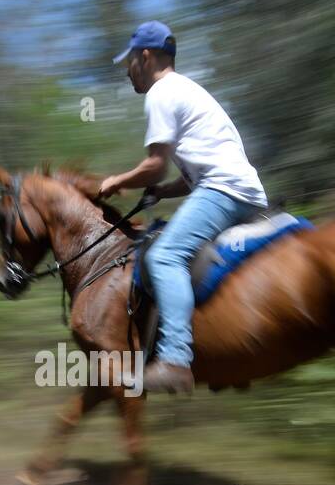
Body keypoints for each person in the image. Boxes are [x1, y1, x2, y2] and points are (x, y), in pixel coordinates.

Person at [99, 21, 268, 393]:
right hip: (247, 193)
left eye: (129, 62)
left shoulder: (160, 93)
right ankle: (230, 361)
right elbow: (191, 173)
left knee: (164, 258)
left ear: (145, 57)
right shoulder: (189, 89)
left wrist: (116, 181)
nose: (128, 71)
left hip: (223, 190)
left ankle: (176, 358)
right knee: (202, 259)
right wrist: (162, 191)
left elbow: (155, 163)